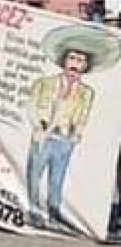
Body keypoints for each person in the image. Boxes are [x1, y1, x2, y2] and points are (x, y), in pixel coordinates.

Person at [26, 25, 120, 227]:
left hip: (64, 141)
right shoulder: (45, 83)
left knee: (57, 178)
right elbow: (32, 106)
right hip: (43, 137)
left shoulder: (86, 93)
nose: (75, 64)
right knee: (34, 174)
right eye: (72, 59)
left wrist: (76, 134)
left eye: (80, 60)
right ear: (64, 60)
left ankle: (54, 213)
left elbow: (83, 117)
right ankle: (33, 209)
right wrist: (38, 126)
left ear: (86, 66)